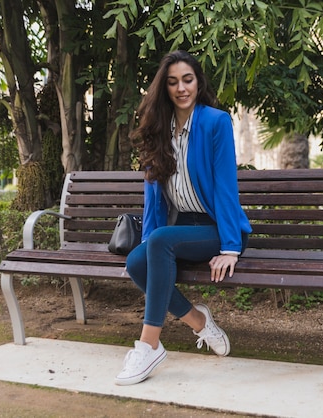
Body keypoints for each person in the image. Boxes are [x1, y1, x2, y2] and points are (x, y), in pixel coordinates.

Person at [114, 50, 252, 386]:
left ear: (198, 82)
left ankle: (149, 345)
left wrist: (231, 247)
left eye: (187, 80)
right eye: (173, 82)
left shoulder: (215, 122)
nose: (181, 88)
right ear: (165, 88)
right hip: (180, 229)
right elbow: (153, 197)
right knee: (136, 263)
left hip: (219, 229)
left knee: (160, 241)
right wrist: (147, 243)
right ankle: (199, 322)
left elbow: (225, 186)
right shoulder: (157, 129)